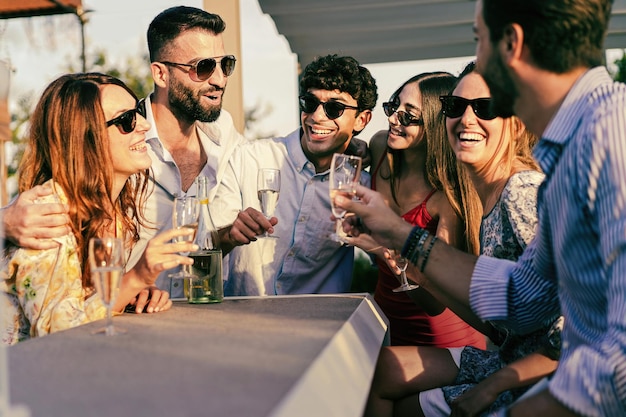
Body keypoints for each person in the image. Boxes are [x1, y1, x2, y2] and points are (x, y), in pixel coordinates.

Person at [335, 0, 626, 415]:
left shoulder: (608, 137)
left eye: (479, 39)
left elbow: (611, 354)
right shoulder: (569, 153)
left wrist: (507, 402)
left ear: (511, 43)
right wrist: (397, 235)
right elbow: (524, 297)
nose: (476, 59)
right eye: (457, 107)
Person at [1, 6, 369, 299]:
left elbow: (298, 157)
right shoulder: (118, 136)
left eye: (225, 65)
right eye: (203, 67)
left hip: (204, 336)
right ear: (161, 74)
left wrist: (359, 144)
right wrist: (4, 223)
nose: (220, 79)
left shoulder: (230, 144)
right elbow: (57, 193)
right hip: (122, 332)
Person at [364, 62, 560, 417]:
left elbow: (583, 330)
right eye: (456, 107)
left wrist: (492, 386)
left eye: (485, 108)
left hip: (549, 381)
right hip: (509, 357)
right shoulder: (489, 197)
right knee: (383, 368)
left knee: (405, 407)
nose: (467, 119)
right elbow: (496, 322)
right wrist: (407, 262)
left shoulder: (522, 193)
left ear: (515, 122)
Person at [0, 73, 196, 344]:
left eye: (138, 112)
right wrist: (136, 278)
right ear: (85, 139)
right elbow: (56, 332)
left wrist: (129, 295)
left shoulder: (111, 211)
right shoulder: (46, 214)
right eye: (126, 120)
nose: (144, 124)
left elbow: (81, 303)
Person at [209, 54, 377, 295]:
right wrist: (229, 235)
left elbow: (388, 263)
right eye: (310, 103)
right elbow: (203, 246)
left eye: (334, 108)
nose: (317, 116)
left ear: (362, 119)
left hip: (319, 326)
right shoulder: (249, 158)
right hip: (242, 321)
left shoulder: (363, 188)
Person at [352, 71, 485, 348]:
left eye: (408, 115)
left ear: (436, 125)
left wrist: (379, 248)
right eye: (394, 106)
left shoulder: (446, 197)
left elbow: (434, 301)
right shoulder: (379, 148)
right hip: (383, 322)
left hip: (440, 336)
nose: (392, 118)